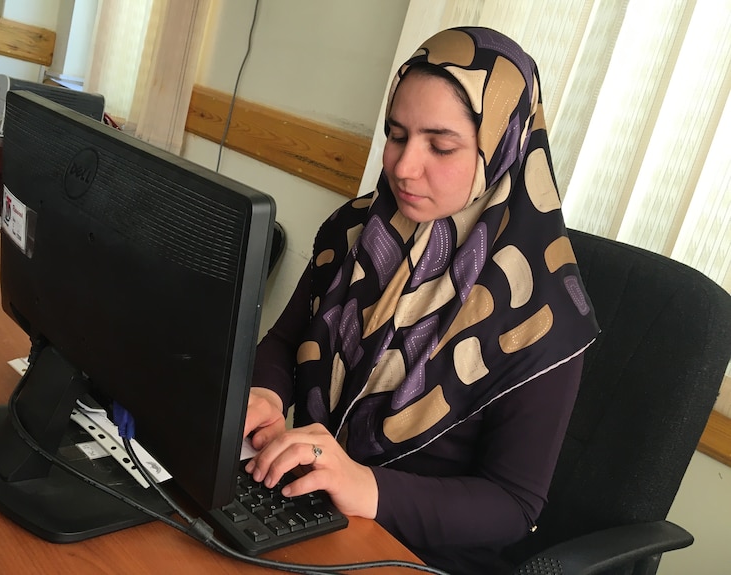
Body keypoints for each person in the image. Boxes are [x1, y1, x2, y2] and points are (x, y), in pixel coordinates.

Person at [243, 27, 599, 575]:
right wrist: (266, 394)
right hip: (304, 504)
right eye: (396, 134)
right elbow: (289, 340)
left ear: (501, 144)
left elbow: (513, 504)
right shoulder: (355, 230)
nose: (404, 167)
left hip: (415, 554)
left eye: (441, 145)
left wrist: (366, 486)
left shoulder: (541, 308)